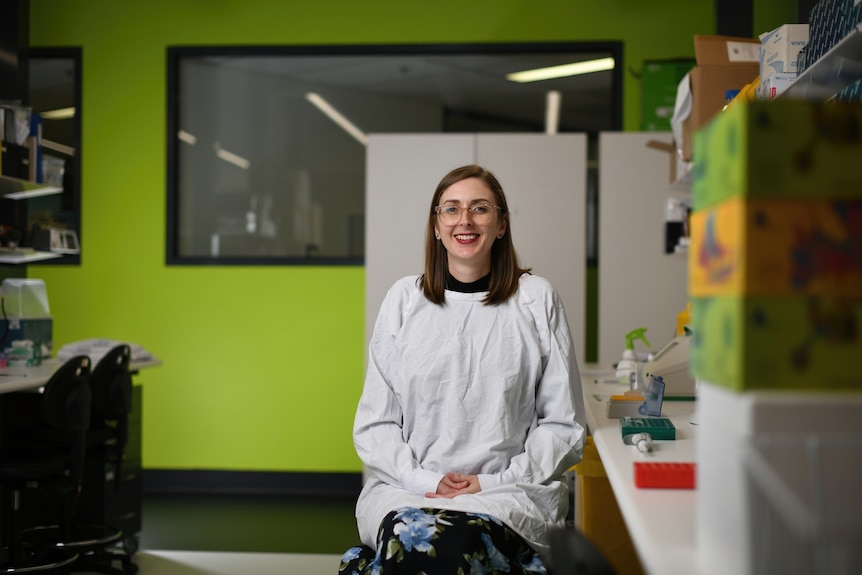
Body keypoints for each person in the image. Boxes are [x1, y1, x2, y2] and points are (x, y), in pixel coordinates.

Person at [339, 164, 586, 574]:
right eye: (451, 209)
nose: (464, 221)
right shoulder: (404, 300)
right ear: (436, 226)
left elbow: (563, 424)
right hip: (410, 490)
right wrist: (423, 480)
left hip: (507, 493)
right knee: (414, 539)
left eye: (480, 208)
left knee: (457, 543)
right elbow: (375, 423)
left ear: (502, 224)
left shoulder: (536, 300)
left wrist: (491, 483)